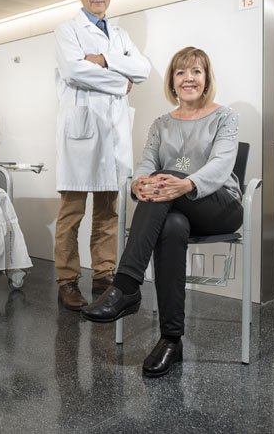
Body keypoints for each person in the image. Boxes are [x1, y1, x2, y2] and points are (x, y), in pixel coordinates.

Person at [81, 46, 243, 378]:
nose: (189, 79)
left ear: (206, 78)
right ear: (172, 80)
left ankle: (125, 285)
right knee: (171, 228)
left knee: (168, 180)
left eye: (196, 72)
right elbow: (146, 163)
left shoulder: (225, 116)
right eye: (181, 72)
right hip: (175, 206)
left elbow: (221, 165)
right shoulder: (160, 124)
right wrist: (140, 182)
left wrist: (184, 184)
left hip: (219, 204)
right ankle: (171, 339)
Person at [53, 0, 151, 310]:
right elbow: (74, 70)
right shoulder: (67, 30)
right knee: (72, 213)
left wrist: (105, 59)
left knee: (109, 212)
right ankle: (66, 280)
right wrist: (121, 82)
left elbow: (144, 68)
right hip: (81, 134)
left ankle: (103, 274)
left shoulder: (120, 36)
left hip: (113, 136)